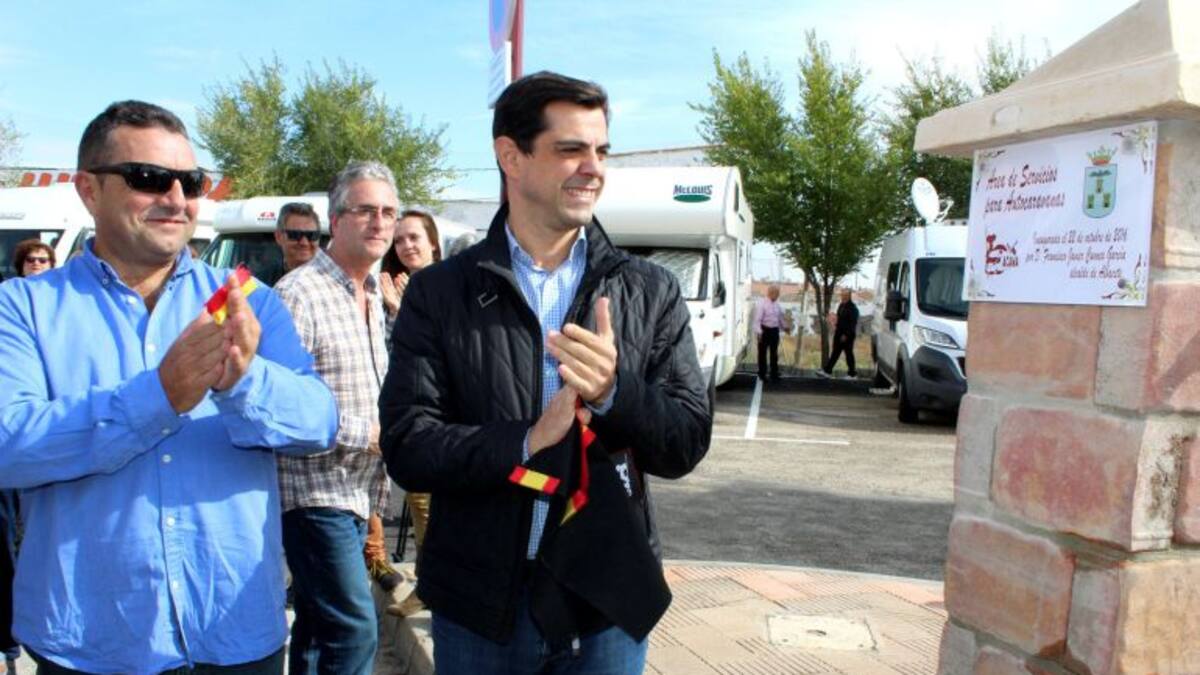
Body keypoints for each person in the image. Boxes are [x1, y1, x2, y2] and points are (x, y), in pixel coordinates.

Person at [379, 71, 712, 674]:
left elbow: (685, 443)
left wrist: (615, 392)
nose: (593, 168)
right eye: (571, 149)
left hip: (606, 600)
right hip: (480, 606)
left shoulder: (650, 290)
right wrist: (527, 441)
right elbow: (408, 447)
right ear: (511, 156)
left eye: (601, 150)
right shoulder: (439, 294)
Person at [0, 100, 338, 674]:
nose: (177, 199)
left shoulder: (248, 299)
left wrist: (244, 382)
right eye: (149, 178)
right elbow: (10, 446)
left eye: (191, 181)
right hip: (93, 642)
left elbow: (319, 423)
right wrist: (158, 397)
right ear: (88, 190)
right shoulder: (23, 307)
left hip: (234, 633)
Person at [273, 161, 401, 674]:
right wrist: (366, 434)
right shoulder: (298, 294)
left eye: (388, 212)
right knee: (354, 629)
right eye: (365, 210)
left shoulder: (371, 293)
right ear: (335, 219)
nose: (379, 222)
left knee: (315, 628)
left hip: (357, 493)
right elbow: (278, 406)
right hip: (312, 491)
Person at [377, 209, 441, 617]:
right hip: (408, 410)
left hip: (444, 415)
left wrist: (402, 312)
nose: (406, 246)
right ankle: (428, 584)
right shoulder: (401, 286)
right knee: (420, 499)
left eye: (414, 237)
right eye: (399, 240)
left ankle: (432, 587)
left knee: (432, 503)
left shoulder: (450, 284)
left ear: (433, 241)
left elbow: (439, 350)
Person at [819, 288, 859, 379]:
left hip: (847, 335)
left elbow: (852, 324)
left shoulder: (853, 308)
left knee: (848, 354)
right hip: (839, 333)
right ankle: (828, 371)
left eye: (845, 295)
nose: (843, 297)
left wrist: (846, 335)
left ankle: (852, 374)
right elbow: (839, 319)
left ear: (849, 296)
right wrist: (833, 319)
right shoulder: (841, 305)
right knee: (835, 353)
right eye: (842, 295)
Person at [274, 201, 322, 274]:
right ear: (278, 237)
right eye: (295, 234)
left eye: (311, 235)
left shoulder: (333, 278)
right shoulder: (262, 279)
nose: (304, 243)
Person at [754, 284, 783, 381]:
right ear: (771, 293)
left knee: (774, 353)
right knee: (762, 353)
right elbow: (757, 320)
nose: (778, 295)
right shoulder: (762, 304)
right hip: (764, 330)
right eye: (777, 293)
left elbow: (780, 318)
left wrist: (785, 327)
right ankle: (762, 374)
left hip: (774, 331)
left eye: (778, 293)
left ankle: (774, 374)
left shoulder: (777, 304)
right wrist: (759, 332)